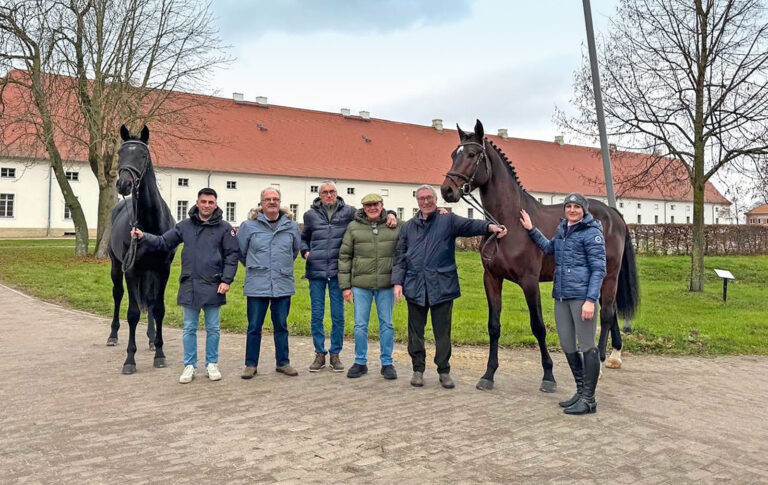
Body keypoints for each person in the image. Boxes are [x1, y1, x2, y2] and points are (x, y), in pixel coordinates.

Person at [392, 184, 507, 389]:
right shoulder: (409, 226)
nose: (426, 201)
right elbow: (400, 256)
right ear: (417, 201)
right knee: (415, 333)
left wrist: (491, 227)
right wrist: (398, 282)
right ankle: (418, 369)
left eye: (429, 198)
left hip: (441, 286)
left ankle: (443, 370)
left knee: (442, 332)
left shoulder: (448, 220)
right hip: (415, 285)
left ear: (436, 200)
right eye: (422, 198)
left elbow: (470, 225)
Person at [131, 188, 239, 384]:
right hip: (190, 284)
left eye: (210, 202)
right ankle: (189, 365)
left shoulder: (224, 228)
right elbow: (164, 242)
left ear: (216, 205)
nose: (207, 205)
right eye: (203, 201)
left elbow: (232, 255)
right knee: (189, 327)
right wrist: (143, 236)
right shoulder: (185, 226)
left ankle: (211, 363)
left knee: (213, 328)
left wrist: (226, 280)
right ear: (197, 203)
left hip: (214, 284)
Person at [519, 193, 606, 415]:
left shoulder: (591, 232)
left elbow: (598, 269)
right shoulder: (563, 230)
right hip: (561, 296)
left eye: (577, 207)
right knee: (568, 345)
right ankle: (580, 391)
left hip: (581, 297)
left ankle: (589, 398)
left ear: (584, 210)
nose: (573, 210)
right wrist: (531, 229)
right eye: (569, 206)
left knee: (587, 345)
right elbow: (549, 249)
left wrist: (590, 300)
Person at [301, 181, 397, 373]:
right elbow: (304, 238)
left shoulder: (349, 211)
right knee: (317, 315)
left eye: (332, 192)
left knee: (338, 316)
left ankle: (335, 354)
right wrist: (305, 252)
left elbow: (370, 212)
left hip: (338, 271)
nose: (329, 195)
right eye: (325, 192)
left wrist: (392, 212)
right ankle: (320, 354)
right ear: (319, 195)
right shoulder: (310, 215)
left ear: (337, 193)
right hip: (316, 271)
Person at [237, 187, 301, 380]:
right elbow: (241, 252)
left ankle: (283, 362)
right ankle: (251, 364)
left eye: (275, 199)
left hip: (282, 283)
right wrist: (256, 266)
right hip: (257, 283)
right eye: (268, 199)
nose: (272, 202)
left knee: (281, 325)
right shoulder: (248, 226)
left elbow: (294, 252)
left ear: (280, 203)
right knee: (254, 326)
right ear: (261, 203)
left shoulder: (291, 226)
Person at [338, 193, 403, 380]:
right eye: (368, 206)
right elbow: (344, 257)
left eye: (375, 204)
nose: (372, 208)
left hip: (385, 285)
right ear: (363, 208)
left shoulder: (395, 226)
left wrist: (440, 212)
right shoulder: (353, 227)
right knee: (359, 325)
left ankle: (387, 363)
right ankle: (360, 362)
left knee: (387, 325)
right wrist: (345, 286)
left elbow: (417, 229)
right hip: (360, 285)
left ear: (382, 205)